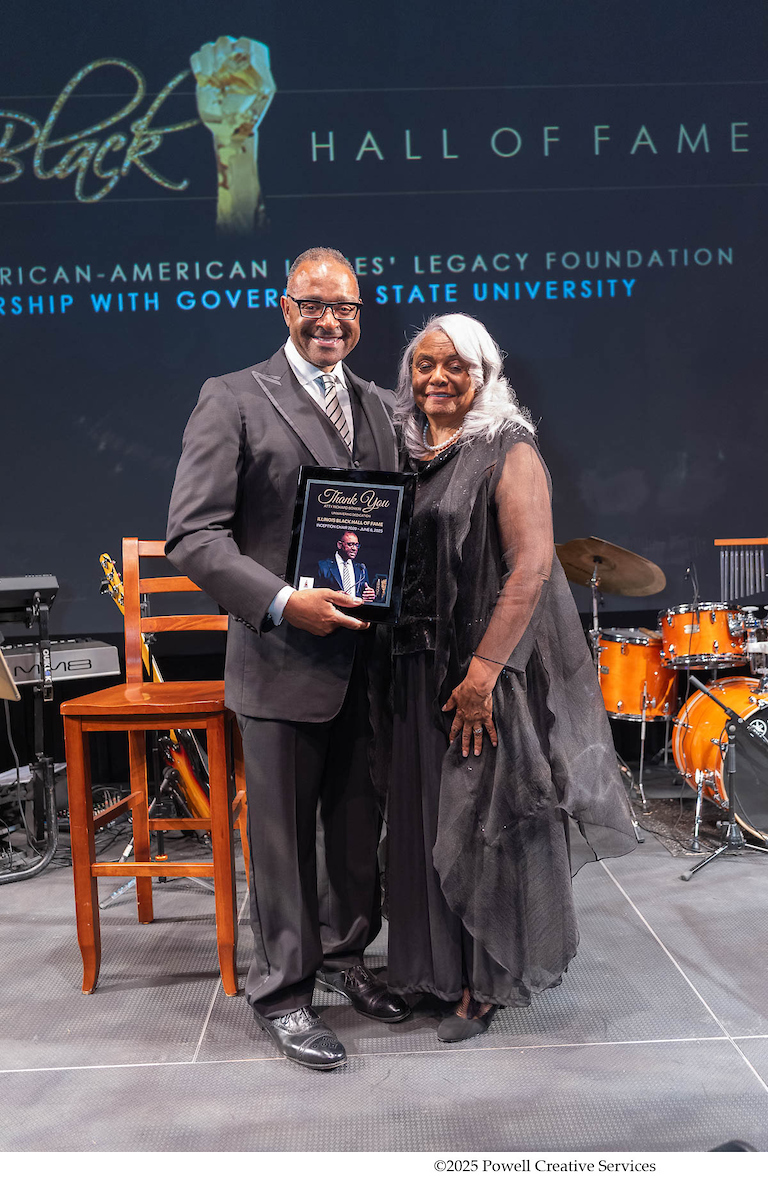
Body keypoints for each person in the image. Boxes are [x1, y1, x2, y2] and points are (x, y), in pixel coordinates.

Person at [165, 247, 409, 1071]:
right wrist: (279, 600)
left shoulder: (380, 405)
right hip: (279, 657)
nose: (330, 320)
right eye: (314, 304)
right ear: (286, 308)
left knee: (355, 831)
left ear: (360, 315)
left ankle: (344, 956)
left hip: (366, 664)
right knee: (280, 843)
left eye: (345, 307)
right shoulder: (233, 397)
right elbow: (193, 534)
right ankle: (283, 993)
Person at [385, 313, 636, 1042]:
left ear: (484, 374)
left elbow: (530, 570)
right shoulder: (405, 453)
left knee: (481, 821)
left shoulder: (508, 448)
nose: (437, 378)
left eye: (455, 366)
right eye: (425, 365)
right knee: (427, 818)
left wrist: (483, 675)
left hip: (483, 675)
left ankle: (484, 982)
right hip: (414, 669)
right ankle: (433, 972)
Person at [315, 530, 376, 600]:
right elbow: (314, 593)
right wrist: (333, 595)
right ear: (339, 545)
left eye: (356, 545)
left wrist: (369, 594)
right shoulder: (323, 566)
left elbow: (365, 592)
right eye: (350, 544)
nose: (354, 548)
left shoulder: (361, 568)